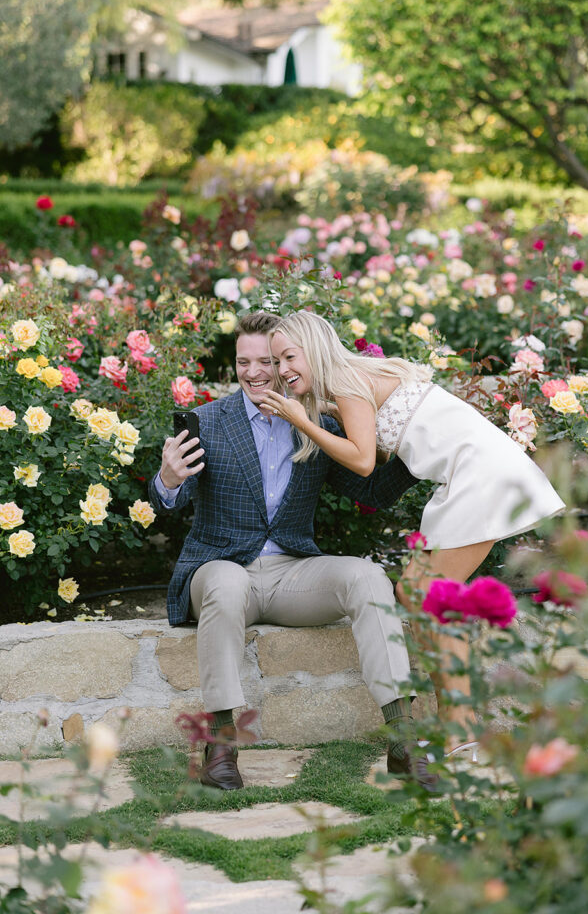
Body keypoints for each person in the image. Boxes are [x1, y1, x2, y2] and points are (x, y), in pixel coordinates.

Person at [149, 311, 440, 792]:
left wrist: (421, 442)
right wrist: (168, 479)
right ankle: (220, 746)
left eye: (266, 361)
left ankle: (403, 741)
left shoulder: (316, 422)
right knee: (226, 583)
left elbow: (370, 490)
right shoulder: (210, 421)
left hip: (292, 574)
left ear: (286, 363)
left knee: (368, 577)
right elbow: (168, 503)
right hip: (221, 570)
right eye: (243, 362)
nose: (254, 372)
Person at [263, 311, 565, 754]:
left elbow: (363, 461)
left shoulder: (347, 382)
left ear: (315, 348)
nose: (282, 369)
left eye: (289, 357)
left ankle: (461, 727)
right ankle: (458, 722)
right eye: (276, 361)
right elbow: (378, 440)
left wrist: (301, 420)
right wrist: (323, 410)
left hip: (480, 475)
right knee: (418, 594)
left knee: (427, 597)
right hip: (467, 475)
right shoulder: (352, 380)